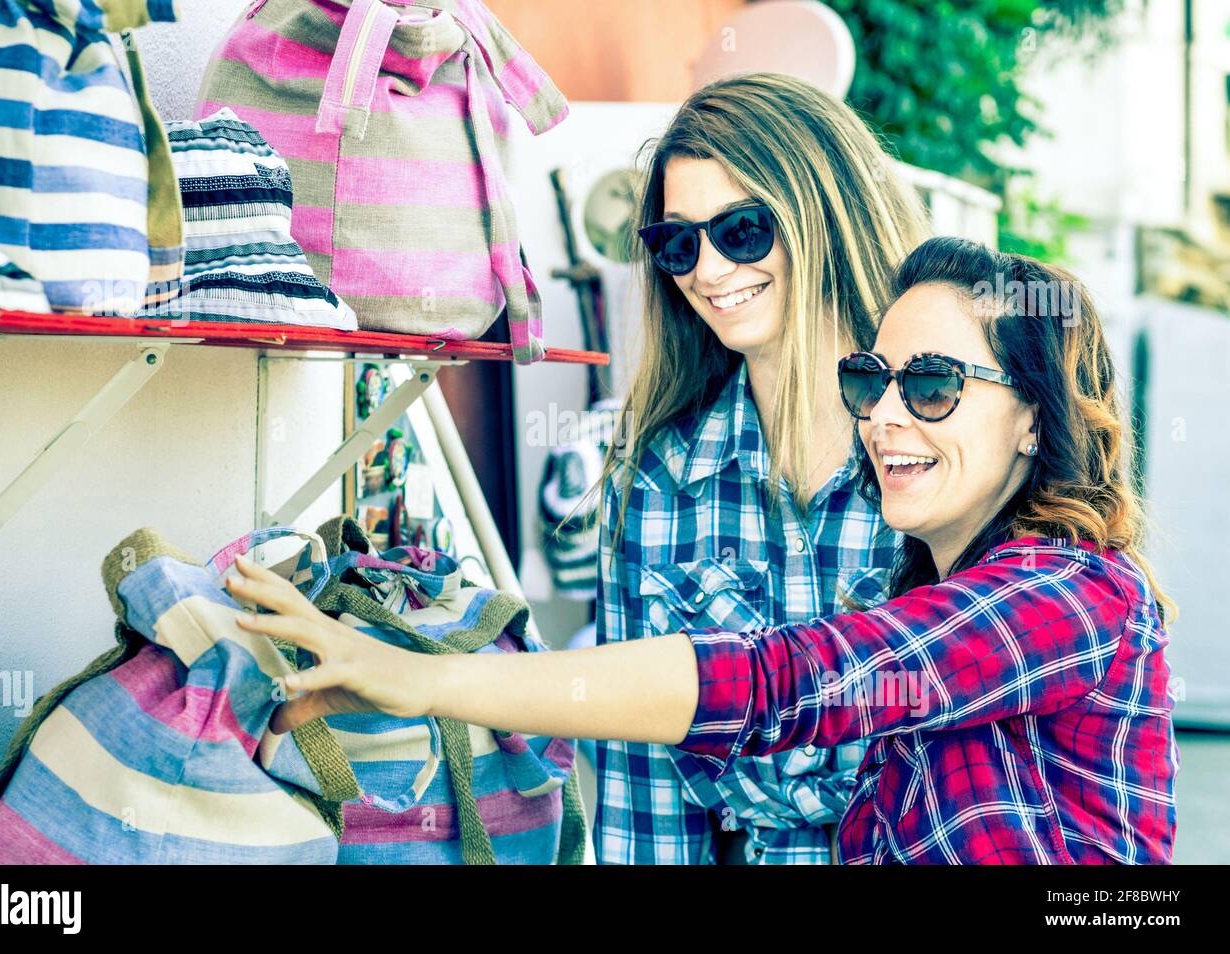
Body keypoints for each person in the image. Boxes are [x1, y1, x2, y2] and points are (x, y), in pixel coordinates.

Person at [228, 237, 1179, 865]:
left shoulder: (1070, 592)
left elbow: (776, 684)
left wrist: (423, 680)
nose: (885, 414)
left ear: (1032, 417)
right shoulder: (943, 598)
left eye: (932, 384)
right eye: (872, 378)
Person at [590, 71, 929, 864]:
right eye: (678, 242)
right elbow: (642, 791)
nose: (707, 271)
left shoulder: (945, 447)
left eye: (741, 230)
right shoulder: (654, 482)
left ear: (822, 211)